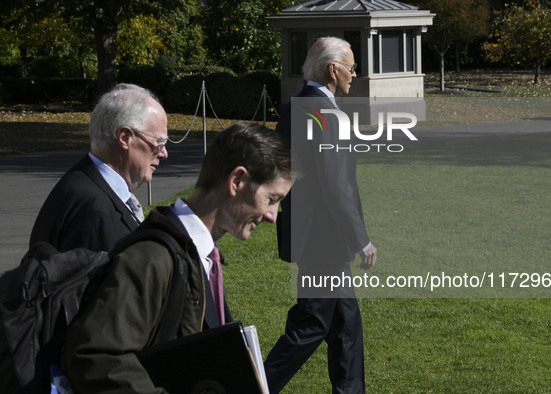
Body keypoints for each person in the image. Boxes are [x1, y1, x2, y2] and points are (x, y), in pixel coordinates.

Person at [62, 121, 293, 393]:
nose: (272, 216)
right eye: (272, 199)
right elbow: (97, 357)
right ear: (237, 181)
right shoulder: (151, 258)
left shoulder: (200, 255)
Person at [264, 37, 377, 393]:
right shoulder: (326, 114)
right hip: (325, 240)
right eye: (352, 67)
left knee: (346, 325)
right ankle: (251, 386)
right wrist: (362, 240)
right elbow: (336, 186)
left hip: (307, 233)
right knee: (311, 324)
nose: (354, 75)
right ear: (333, 70)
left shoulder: (293, 108)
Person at [29, 83, 168, 252]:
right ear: (125, 138)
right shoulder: (96, 211)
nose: (164, 153)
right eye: (159, 142)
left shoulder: (83, 182)